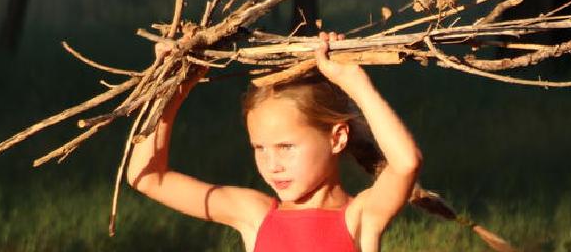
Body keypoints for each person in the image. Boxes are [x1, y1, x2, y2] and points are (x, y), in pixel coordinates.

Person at [127, 31, 421, 252]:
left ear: (337, 137)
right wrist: (171, 90)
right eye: (259, 148)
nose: (272, 165)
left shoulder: (360, 217)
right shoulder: (255, 215)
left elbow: (406, 163)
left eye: (286, 147)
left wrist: (354, 81)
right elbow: (148, 178)